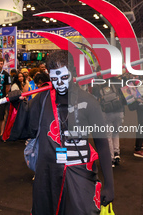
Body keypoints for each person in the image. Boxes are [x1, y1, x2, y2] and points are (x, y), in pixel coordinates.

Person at [9, 50, 114, 215]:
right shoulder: (42, 100)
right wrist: (17, 105)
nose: (59, 83)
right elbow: (27, 127)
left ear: (72, 73)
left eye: (64, 77)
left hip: (79, 172)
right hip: (48, 174)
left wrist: (109, 184)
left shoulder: (88, 102)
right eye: (54, 78)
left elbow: (102, 143)